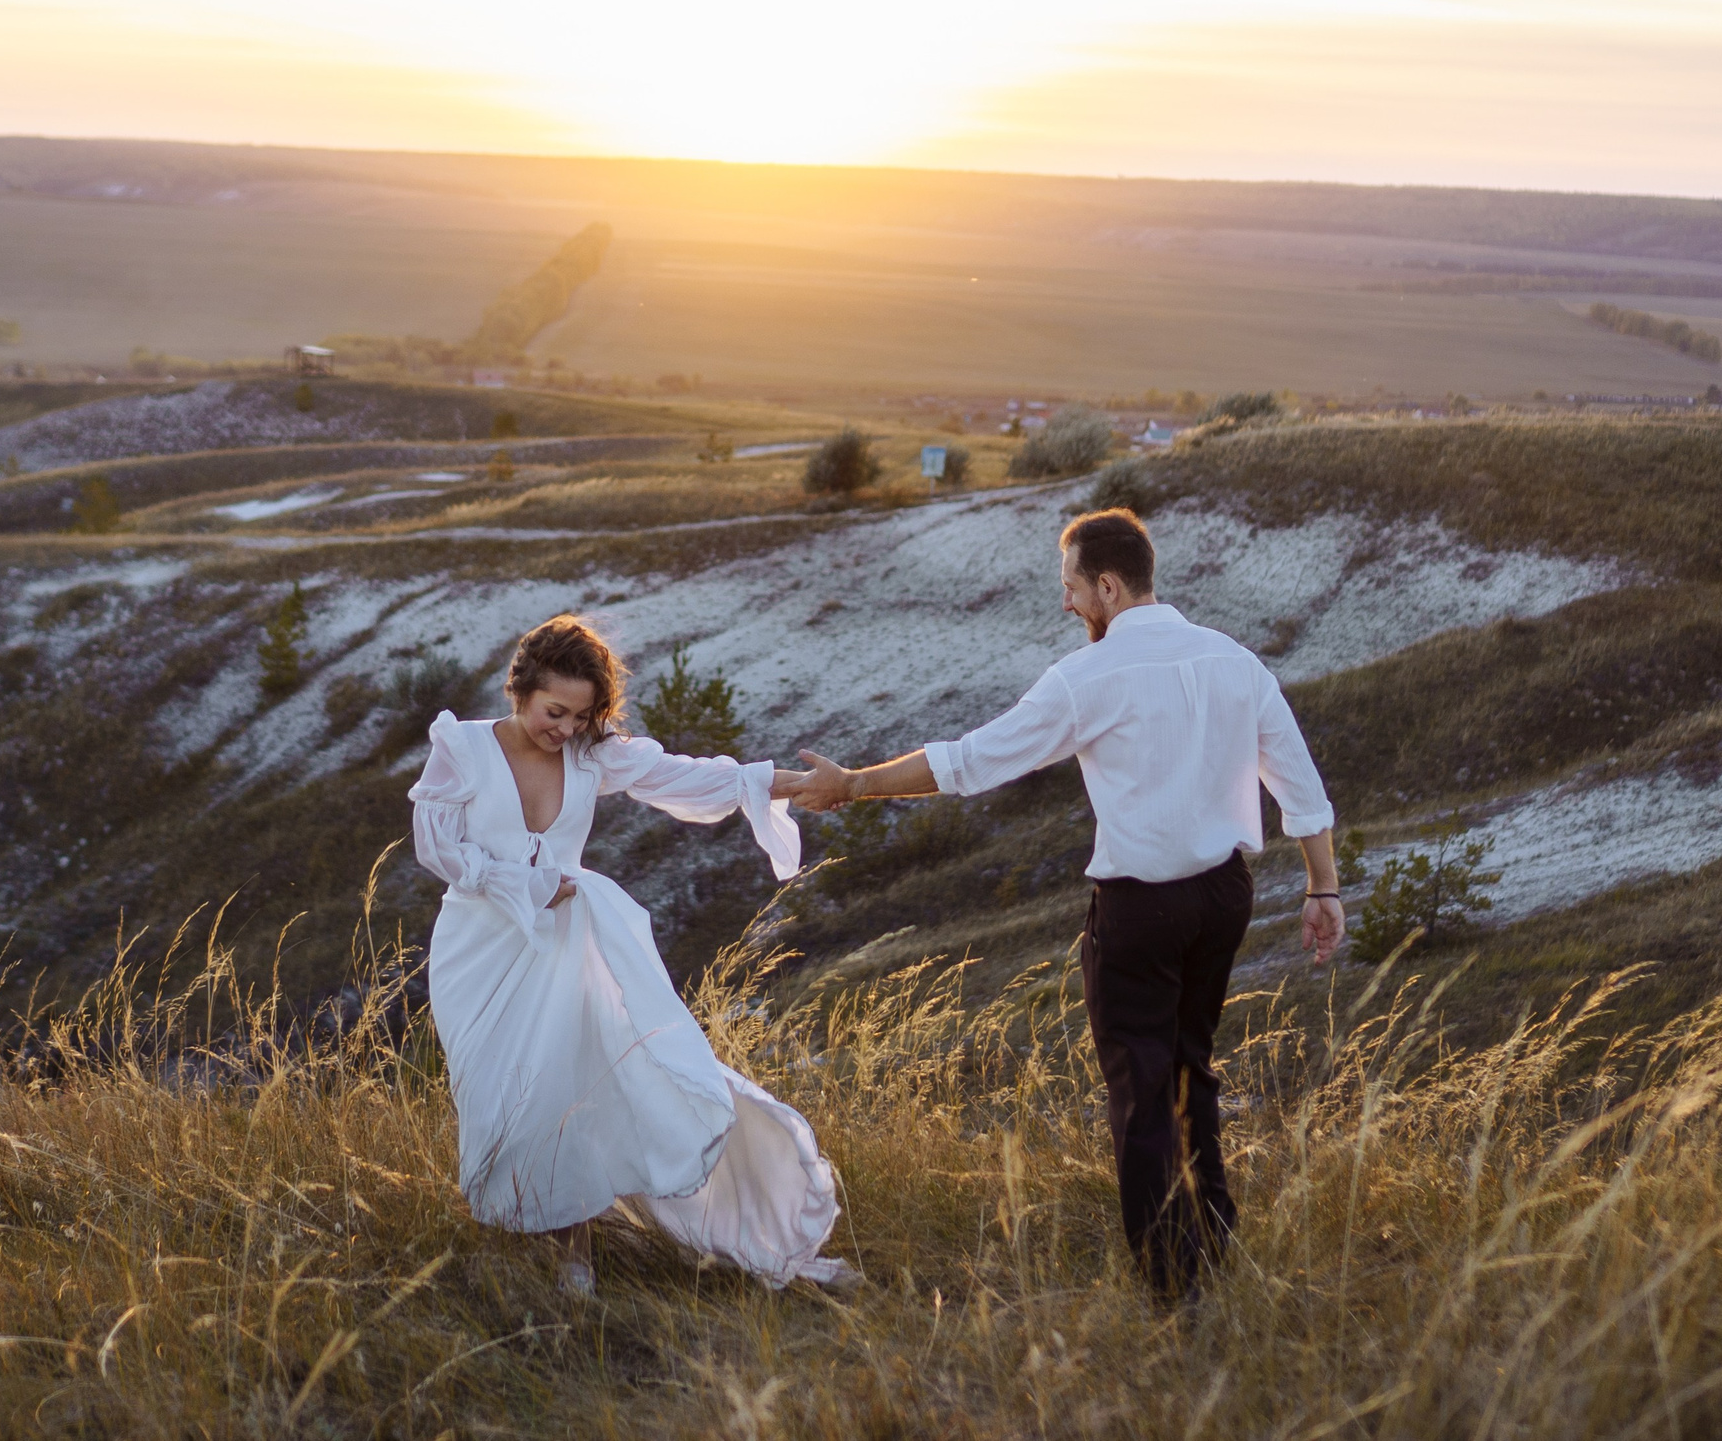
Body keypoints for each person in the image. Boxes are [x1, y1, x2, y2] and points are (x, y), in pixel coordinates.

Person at [788, 508, 1343, 1302]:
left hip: (1139, 910)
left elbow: (972, 761)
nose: (1068, 605)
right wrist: (1322, 887)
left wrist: (857, 783)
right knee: (1192, 1067)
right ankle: (1213, 1248)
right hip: (1225, 898)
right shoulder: (1236, 662)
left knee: (1141, 1088)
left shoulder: (1088, 678)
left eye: (1073, 588)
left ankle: (1172, 1286)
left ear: (1108, 586)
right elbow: (1299, 783)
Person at [408, 614, 855, 1297]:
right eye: (554, 711)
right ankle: (519, 1250)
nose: (563, 728)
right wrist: (523, 881)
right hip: (479, 953)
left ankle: (574, 1259)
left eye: (579, 716)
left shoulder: (591, 753)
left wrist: (792, 783)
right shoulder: (462, 747)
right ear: (520, 690)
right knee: (499, 1100)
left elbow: (689, 778)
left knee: (567, 1090)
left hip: (565, 945)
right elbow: (436, 845)